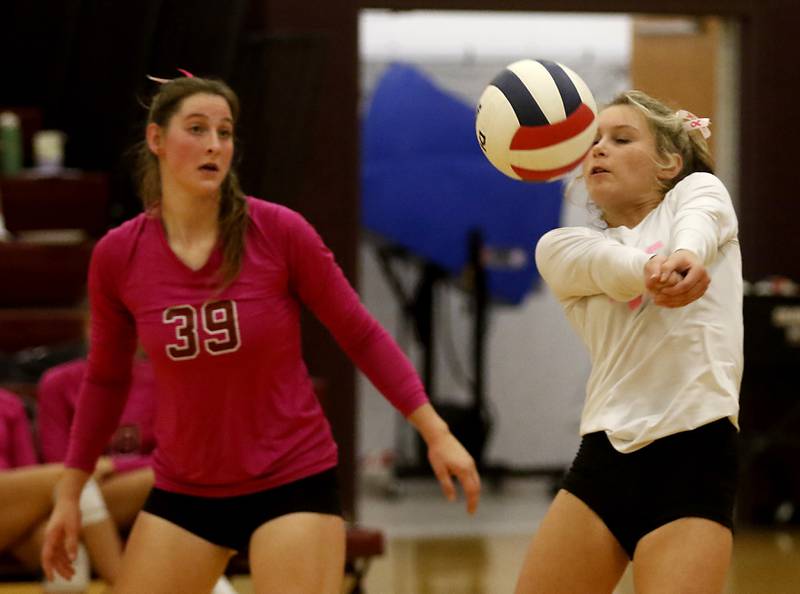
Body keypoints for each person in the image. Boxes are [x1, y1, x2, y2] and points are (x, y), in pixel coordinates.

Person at [41, 72, 481, 594]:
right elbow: (105, 381)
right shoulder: (118, 255)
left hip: (290, 479)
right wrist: (70, 493)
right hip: (186, 489)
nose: (214, 146)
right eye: (197, 129)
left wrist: (436, 431)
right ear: (156, 140)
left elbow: (359, 334)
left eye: (224, 133)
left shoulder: (278, 231)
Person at [515, 90, 742, 594]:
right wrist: (654, 270)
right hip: (604, 460)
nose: (599, 149)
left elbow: (701, 218)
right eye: (594, 141)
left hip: (695, 458)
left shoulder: (699, 195)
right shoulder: (561, 247)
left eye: (620, 139)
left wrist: (686, 255)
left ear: (669, 163)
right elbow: (613, 269)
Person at [0, 387, 123, 593]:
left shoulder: (8, 402)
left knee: (63, 553)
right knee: (70, 477)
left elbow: (27, 468)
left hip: (9, 509)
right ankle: (125, 583)